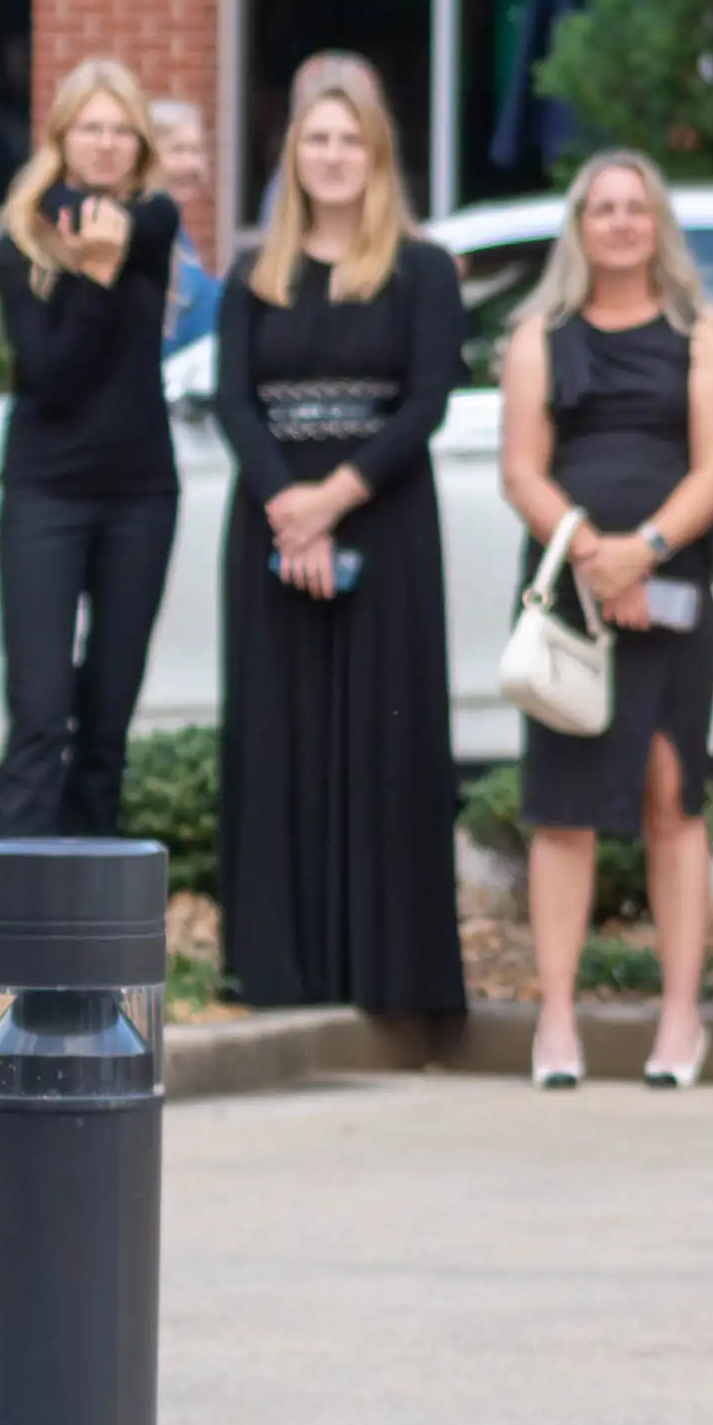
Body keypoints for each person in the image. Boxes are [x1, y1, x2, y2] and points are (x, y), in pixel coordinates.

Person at [209, 51, 466, 1024]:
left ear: (378, 152)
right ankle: (280, 968)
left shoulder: (422, 269)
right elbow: (233, 399)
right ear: (293, 155)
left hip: (387, 524)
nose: (332, 155)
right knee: (282, 738)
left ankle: (385, 971)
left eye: (349, 138)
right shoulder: (253, 274)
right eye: (316, 139)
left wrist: (336, 498)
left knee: (380, 739)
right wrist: (290, 506)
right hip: (272, 530)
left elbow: (429, 400)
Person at [498, 148, 713, 1094]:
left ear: (658, 223)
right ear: (580, 226)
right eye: (603, 209)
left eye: (636, 208)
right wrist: (593, 555)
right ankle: (555, 1017)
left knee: (671, 801)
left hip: (674, 578)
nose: (621, 223)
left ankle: (680, 1017)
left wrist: (644, 548)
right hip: (571, 586)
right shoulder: (539, 334)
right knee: (562, 809)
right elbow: (523, 468)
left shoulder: (701, 332)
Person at [0, 58, 184, 847]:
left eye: (121, 130)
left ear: (140, 144)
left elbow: (142, 231)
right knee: (38, 712)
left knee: (107, 715)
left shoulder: (156, 223)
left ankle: (95, 908)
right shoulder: (20, 245)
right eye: (90, 128)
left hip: (141, 494)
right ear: (61, 137)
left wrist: (105, 267)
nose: (106, 144)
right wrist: (94, 284)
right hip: (46, 494)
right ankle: (15, 914)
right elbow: (49, 377)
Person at [145, 91, 227, 361]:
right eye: (178, 151)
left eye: (197, 150)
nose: (192, 164)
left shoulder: (177, 233)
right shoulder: (143, 232)